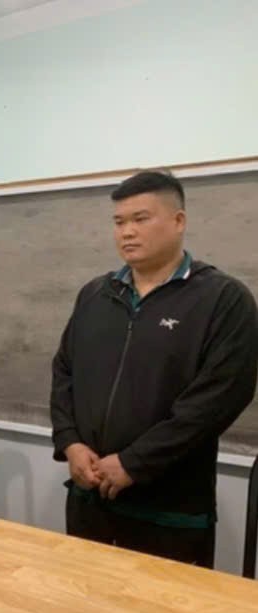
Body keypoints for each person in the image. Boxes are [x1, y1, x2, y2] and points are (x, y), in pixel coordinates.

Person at [51, 170, 258, 568]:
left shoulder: (223, 299)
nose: (127, 232)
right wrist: (70, 442)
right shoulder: (96, 294)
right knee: (83, 599)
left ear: (178, 221)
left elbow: (217, 400)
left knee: (163, 607)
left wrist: (134, 463)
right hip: (89, 499)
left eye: (140, 219)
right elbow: (64, 373)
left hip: (169, 513)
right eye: (119, 222)